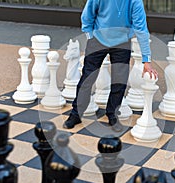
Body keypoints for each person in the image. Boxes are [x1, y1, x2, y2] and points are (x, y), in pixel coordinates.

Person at [63, 0, 158, 131]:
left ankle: (112, 115)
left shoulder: (135, 1)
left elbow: (141, 28)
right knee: (87, 79)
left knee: (119, 82)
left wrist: (146, 60)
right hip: (98, 39)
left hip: (122, 42)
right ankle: (76, 114)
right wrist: (90, 35)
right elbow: (87, 15)